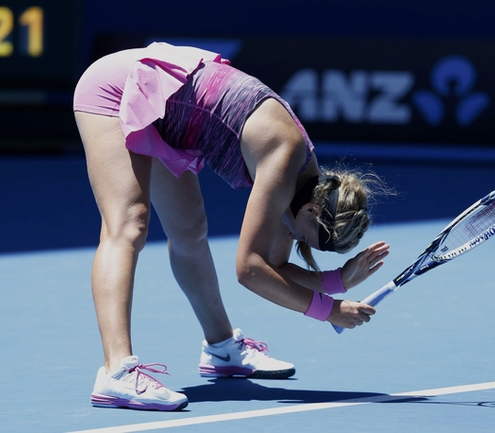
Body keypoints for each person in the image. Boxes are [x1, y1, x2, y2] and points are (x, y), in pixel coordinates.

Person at [73, 42, 391, 411]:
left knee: (189, 230)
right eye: (302, 237)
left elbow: (274, 267)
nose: (292, 239)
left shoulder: (306, 186)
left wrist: (337, 281)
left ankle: (221, 348)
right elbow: (250, 270)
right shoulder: (284, 159)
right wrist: (328, 310)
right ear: (311, 209)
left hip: (164, 105)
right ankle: (116, 372)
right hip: (117, 87)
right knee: (130, 225)